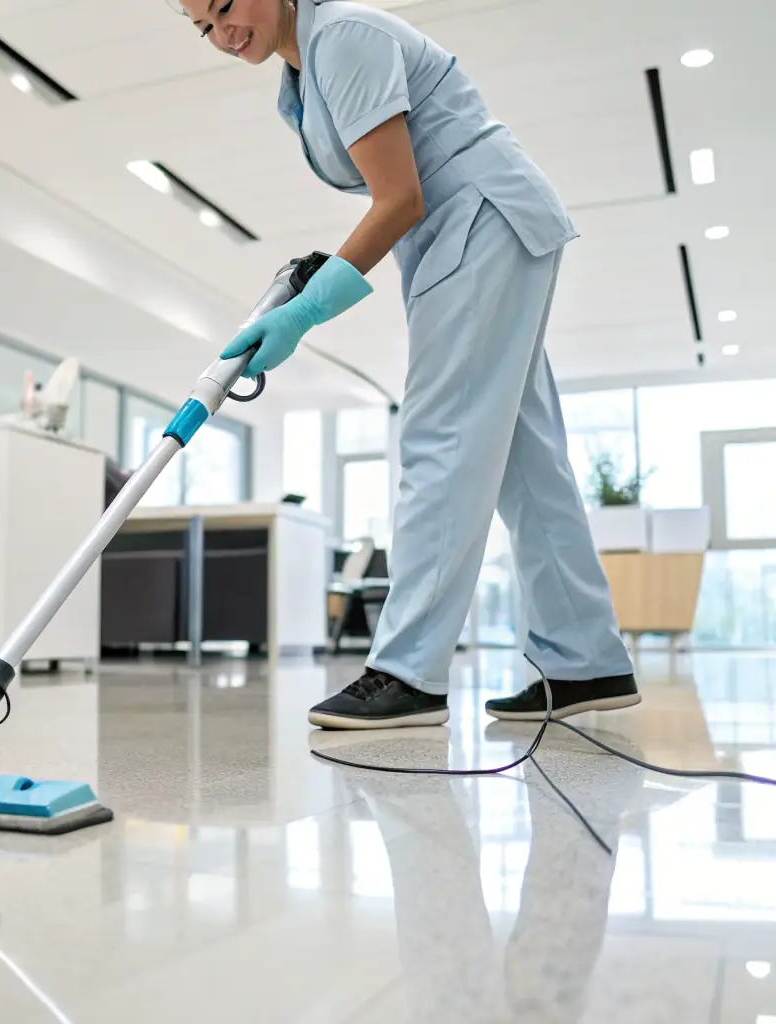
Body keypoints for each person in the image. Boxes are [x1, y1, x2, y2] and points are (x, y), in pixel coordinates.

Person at [174, 0, 639, 729]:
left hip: (480, 219)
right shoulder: (298, 80)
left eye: (226, 6)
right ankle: (586, 661)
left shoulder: (345, 37)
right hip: (466, 232)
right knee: (524, 457)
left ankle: (407, 671)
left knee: (441, 437)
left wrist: (305, 311)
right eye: (202, 27)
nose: (222, 33)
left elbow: (398, 197)